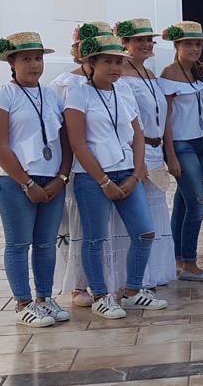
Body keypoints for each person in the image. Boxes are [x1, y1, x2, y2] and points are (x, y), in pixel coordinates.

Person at [65, 33, 166, 318]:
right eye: (107, 61)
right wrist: (104, 181)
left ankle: (133, 290)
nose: (113, 68)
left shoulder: (123, 91)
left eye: (118, 62)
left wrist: (136, 172)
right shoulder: (78, 95)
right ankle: (99, 295)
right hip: (92, 176)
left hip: (127, 172)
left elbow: (136, 134)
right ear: (92, 63)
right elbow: (78, 143)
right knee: (96, 238)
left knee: (144, 232)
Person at [0, 32, 73, 327]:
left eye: (38, 58)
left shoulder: (50, 94)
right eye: (26, 59)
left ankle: (45, 299)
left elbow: (65, 137)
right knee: (19, 243)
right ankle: (23, 302)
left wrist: (62, 176)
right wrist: (27, 183)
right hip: (15, 180)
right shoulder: (2, 95)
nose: (34, 65)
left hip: (52, 178)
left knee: (46, 243)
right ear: (12, 62)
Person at [53, 21, 126, 307]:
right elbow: (62, 129)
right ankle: (78, 284)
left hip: (111, 162)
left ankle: (107, 279)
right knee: (80, 226)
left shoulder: (114, 84)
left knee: (104, 227)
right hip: (79, 166)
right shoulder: (66, 84)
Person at [116, 17, 177, 288]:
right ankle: (133, 279)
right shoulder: (121, 77)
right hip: (134, 153)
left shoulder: (151, 75)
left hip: (155, 151)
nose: (145, 44)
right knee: (137, 217)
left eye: (148, 40)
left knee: (156, 212)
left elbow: (163, 117)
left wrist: (169, 154)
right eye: (138, 40)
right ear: (125, 43)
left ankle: (155, 272)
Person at [159, 21, 203, 282]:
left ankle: (178, 260)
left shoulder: (198, 72)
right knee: (198, 203)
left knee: (183, 204)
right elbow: (167, 118)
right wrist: (170, 154)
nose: (195, 48)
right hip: (181, 145)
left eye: (198, 44)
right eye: (189, 44)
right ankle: (191, 262)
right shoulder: (169, 74)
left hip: (200, 143)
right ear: (177, 46)